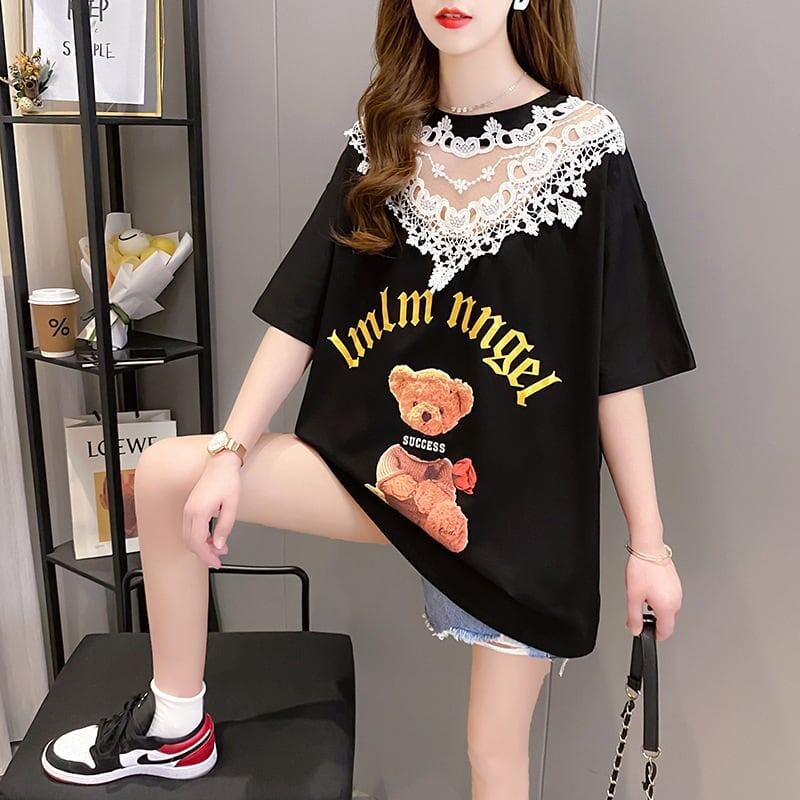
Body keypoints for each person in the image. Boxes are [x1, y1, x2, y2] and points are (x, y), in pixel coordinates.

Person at [40, 1, 695, 797]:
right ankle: (177, 726)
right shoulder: (382, 139)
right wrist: (231, 450)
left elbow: (615, 365)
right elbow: (302, 314)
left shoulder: (585, 145)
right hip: (383, 474)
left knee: (493, 754)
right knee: (168, 474)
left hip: (514, 511)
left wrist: (648, 548)